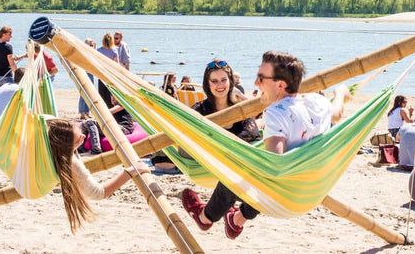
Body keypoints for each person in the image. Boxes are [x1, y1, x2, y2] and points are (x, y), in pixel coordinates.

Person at [181, 51, 350, 239]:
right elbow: (337, 113)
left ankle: (205, 217)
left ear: (280, 85)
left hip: (285, 192)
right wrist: (340, 93)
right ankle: (237, 219)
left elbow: (273, 167)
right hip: (313, 185)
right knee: (243, 168)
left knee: (236, 171)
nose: (255, 83)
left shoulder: (275, 114)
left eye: (261, 79)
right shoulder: (317, 101)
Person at [46, 118, 150, 233]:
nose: (84, 136)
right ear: (67, 146)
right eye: (78, 139)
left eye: (82, 133)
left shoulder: (44, 144)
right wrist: (130, 172)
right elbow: (99, 193)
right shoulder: (72, 163)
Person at [178, 60, 260, 160]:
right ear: (207, 84)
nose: (220, 85)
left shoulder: (240, 108)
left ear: (230, 81)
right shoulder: (200, 110)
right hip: (210, 166)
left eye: (224, 80)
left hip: (238, 166)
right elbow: (185, 141)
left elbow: (253, 134)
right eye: (214, 81)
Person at [97, 33, 118, 107]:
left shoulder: (99, 50)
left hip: (101, 74)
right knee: (110, 94)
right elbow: (116, 64)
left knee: (102, 93)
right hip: (110, 74)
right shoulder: (114, 51)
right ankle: (110, 110)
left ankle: (102, 109)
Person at [78, 38, 96, 120]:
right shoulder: (83, 52)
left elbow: (95, 57)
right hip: (85, 73)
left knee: (89, 93)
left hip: (90, 73)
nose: (92, 46)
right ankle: (82, 112)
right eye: (91, 44)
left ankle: (86, 112)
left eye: (92, 45)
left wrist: (94, 47)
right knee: (84, 94)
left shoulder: (90, 52)